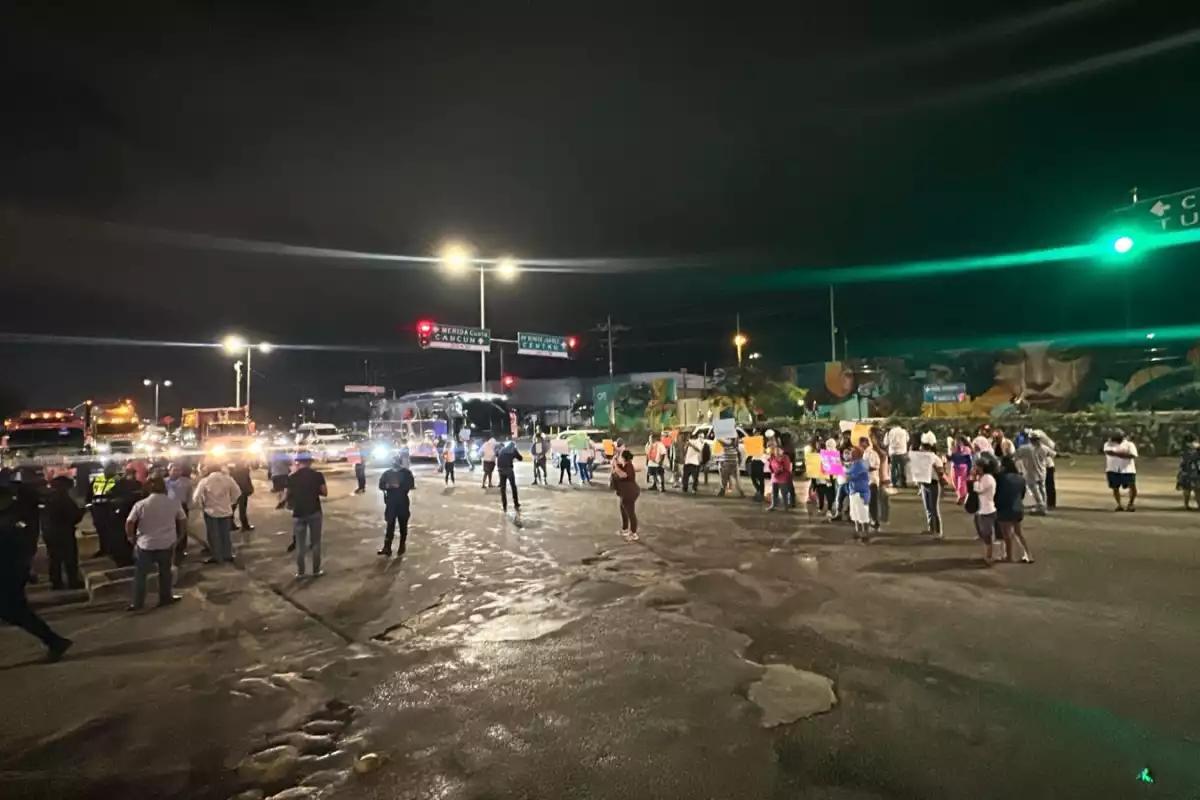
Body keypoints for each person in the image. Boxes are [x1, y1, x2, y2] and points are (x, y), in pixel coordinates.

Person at [0, 470, 71, 661]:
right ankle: (54, 641)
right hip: (12, 575)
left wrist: (25, 570)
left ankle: (55, 641)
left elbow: (17, 549)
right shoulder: (13, 518)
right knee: (19, 614)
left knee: (18, 613)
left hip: (8, 577)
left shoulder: (10, 521)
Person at [124, 476, 186, 611]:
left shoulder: (141, 504)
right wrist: (180, 536)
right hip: (166, 543)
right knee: (165, 572)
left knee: (141, 575)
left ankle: (137, 603)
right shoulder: (173, 502)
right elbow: (182, 519)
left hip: (145, 544)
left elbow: (129, 522)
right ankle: (165, 598)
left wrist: (131, 538)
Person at [287, 453, 327, 577]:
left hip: (298, 513)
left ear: (299, 463)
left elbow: (287, 495)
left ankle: (301, 572)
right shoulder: (317, 475)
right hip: (314, 511)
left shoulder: (292, 477)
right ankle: (316, 570)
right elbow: (324, 492)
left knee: (300, 544)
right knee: (315, 543)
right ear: (310, 462)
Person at [192, 463, 241, 564]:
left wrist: (202, 505)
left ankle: (217, 556)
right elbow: (237, 492)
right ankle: (227, 555)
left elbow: (196, 497)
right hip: (226, 511)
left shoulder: (205, 481)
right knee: (225, 534)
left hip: (210, 512)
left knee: (213, 535)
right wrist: (230, 502)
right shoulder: (228, 479)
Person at [43, 476, 84, 590]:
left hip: (49, 532)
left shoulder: (48, 497)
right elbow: (73, 516)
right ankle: (72, 582)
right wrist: (81, 512)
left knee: (54, 558)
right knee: (69, 557)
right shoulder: (63, 498)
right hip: (63, 532)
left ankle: (56, 582)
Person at [909, 439, 952, 539]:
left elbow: (941, 471)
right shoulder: (921, 459)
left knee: (934, 508)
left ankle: (938, 531)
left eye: (922, 449)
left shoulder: (935, 458)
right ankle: (931, 528)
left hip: (933, 483)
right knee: (928, 508)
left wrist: (933, 466)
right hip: (924, 483)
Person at [996, 456, 1034, 563]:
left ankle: (1009, 556)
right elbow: (1022, 494)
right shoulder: (1020, 478)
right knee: (1018, 532)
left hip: (1004, 507)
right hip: (1017, 507)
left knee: (1006, 534)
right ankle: (1028, 554)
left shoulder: (1000, 477)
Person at [377, 455, 415, 556]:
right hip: (391, 503)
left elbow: (411, 485)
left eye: (397, 461)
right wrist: (387, 486)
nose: (395, 463)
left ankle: (402, 545)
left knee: (403, 525)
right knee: (390, 525)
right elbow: (381, 485)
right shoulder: (387, 473)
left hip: (402, 502)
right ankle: (387, 547)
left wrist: (400, 486)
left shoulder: (406, 473)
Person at [1015, 432, 1054, 515]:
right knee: (1042, 489)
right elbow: (1053, 454)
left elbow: (1015, 456)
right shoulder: (1044, 448)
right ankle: (1043, 505)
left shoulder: (1025, 448)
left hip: (1031, 473)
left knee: (1035, 490)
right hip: (1042, 472)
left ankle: (1041, 506)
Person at [970, 457, 999, 564]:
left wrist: (974, 478)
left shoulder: (987, 478)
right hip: (983, 510)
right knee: (984, 534)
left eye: (976, 466)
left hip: (987, 510)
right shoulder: (983, 477)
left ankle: (989, 557)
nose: (974, 468)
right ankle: (988, 555)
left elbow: (979, 489)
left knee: (987, 535)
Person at [1103, 430, 1139, 512]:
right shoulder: (1108, 443)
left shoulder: (1129, 444)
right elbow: (1108, 452)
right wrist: (1123, 454)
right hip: (1112, 469)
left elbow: (1132, 455)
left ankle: (1131, 503)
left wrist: (1116, 453)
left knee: (1132, 486)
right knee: (1115, 488)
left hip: (1128, 469)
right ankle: (1119, 505)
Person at [611, 449, 641, 541]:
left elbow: (623, 475)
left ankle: (634, 533)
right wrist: (614, 460)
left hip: (629, 492)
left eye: (620, 456)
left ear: (623, 458)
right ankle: (625, 530)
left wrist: (615, 465)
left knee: (630, 512)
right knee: (623, 510)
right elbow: (615, 467)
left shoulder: (628, 465)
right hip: (625, 492)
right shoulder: (624, 465)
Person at [846, 448, 872, 541]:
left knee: (863, 514)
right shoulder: (857, 463)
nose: (850, 455)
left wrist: (838, 470)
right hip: (855, 491)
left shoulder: (860, 465)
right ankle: (858, 532)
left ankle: (865, 534)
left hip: (860, 492)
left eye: (853, 453)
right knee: (856, 513)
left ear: (858, 454)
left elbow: (848, 477)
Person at [495, 440, 523, 518]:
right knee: (513, 486)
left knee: (503, 488)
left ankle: (504, 506)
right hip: (508, 470)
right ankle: (516, 503)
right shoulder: (513, 450)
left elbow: (496, 454)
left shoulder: (502, 449)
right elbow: (520, 458)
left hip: (500, 470)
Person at [859, 435, 882, 530]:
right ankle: (872, 519)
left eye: (861, 442)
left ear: (865, 442)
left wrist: (862, 469)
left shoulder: (872, 453)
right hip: (867, 481)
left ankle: (875, 520)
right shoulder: (865, 453)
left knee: (872, 502)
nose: (860, 445)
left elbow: (875, 466)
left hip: (872, 481)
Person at [229, 461, 255, 531]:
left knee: (232, 508)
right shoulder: (245, 470)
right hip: (243, 491)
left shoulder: (232, 472)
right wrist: (250, 489)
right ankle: (245, 526)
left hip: (234, 491)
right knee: (242, 509)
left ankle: (231, 525)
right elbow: (247, 481)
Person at [767, 445, 793, 511]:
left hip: (783, 478)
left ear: (782, 451)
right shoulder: (772, 457)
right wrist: (773, 470)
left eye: (779, 450)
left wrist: (780, 470)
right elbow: (770, 466)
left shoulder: (785, 457)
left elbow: (787, 468)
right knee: (774, 493)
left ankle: (786, 506)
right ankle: (773, 505)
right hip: (774, 478)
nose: (777, 452)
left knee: (784, 493)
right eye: (776, 450)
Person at [949, 436, 973, 504]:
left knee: (961, 483)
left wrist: (969, 470)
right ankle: (960, 495)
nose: (958, 443)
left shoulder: (966, 449)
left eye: (959, 442)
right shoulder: (954, 449)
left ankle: (962, 496)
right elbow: (952, 457)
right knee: (955, 482)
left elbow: (968, 460)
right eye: (956, 441)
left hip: (962, 468)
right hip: (954, 467)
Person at [1178, 434, 1200, 510]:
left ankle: (1186, 505)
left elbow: (1182, 463)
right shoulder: (1195, 449)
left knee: (1189, 489)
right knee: (1196, 490)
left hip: (1187, 472)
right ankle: (1195, 505)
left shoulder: (1184, 450)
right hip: (1193, 472)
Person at [749, 430, 769, 502]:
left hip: (760, 461)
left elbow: (766, 451)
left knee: (760, 478)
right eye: (755, 433)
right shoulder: (753, 441)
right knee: (753, 477)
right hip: (754, 460)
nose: (756, 435)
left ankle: (761, 493)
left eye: (757, 433)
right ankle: (759, 491)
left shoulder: (762, 441)